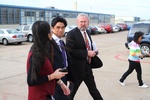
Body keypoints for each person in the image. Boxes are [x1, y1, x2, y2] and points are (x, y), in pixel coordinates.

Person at [26, 21, 70, 100]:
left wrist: (61, 84)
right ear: (46, 34)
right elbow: (31, 81)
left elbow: (48, 71)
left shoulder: (43, 49)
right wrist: (52, 76)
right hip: (39, 96)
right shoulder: (36, 54)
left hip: (47, 94)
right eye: (50, 30)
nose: (51, 32)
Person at [66, 13, 103, 100]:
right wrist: (86, 53)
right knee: (71, 93)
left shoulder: (87, 32)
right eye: (81, 22)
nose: (83, 24)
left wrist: (94, 52)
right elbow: (70, 51)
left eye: (85, 22)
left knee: (93, 89)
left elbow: (88, 46)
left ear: (88, 22)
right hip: (76, 70)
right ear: (77, 22)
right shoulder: (71, 34)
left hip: (87, 67)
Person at [48, 16, 74, 100]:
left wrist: (69, 76)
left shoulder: (61, 42)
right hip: (55, 77)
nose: (60, 30)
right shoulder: (50, 43)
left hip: (64, 75)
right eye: (58, 27)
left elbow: (65, 59)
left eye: (63, 27)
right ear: (52, 28)